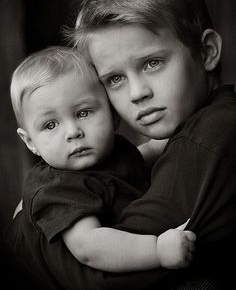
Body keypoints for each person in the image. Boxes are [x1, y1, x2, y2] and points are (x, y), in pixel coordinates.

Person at [5, 0, 236, 289]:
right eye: (114, 79)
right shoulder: (191, 131)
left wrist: (27, 225)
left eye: (153, 63)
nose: (137, 92)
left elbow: (104, 275)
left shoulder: (208, 138)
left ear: (207, 51)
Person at [7, 45, 195, 279]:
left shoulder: (113, 151)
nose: (73, 132)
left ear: (113, 113)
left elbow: (137, 160)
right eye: (50, 125)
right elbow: (90, 247)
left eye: (83, 113)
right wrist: (157, 250)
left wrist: (170, 141)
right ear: (30, 142)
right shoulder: (56, 189)